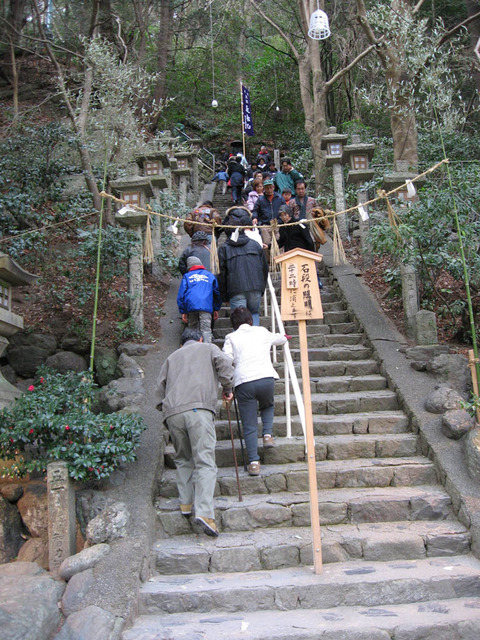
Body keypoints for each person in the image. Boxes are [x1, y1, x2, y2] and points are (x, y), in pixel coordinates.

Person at [156, 328, 234, 537]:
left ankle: (185, 504)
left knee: (183, 458)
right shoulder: (208, 348)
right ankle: (205, 513)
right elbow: (225, 364)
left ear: (181, 344)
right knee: (205, 461)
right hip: (198, 411)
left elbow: (159, 391)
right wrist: (227, 387)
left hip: (173, 414)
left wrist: (166, 412)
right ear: (199, 339)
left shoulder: (171, 358)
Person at [222, 307, 287, 476]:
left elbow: (225, 360)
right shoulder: (262, 331)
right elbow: (280, 339)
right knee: (267, 406)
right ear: (250, 320)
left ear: (234, 324)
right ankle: (267, 434)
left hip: (244, 382)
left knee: (249, 424)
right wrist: (286, 337)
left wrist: (225, 384)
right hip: (266, 377)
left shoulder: (231, 338)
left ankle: (253, 463)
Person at [217, 211, 268, 326]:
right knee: (254, 313)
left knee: (239, 319)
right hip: (255, 287)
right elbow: (264, 268)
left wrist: (224, 296)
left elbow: (222, 274)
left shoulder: (224, 249)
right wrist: (261, 288)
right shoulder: (255, 244)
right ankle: (255, 343)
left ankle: (242, 343)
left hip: (236, 288)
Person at [177, 256, 221, 344]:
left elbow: (181, 294)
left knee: (193, 330)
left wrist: (183, 311)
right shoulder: (209, 276)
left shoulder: (187, 276)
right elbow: (216, 293)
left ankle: (193, 351)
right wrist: (216, 308)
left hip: (191, 306)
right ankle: (207, 352)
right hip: (206, 307)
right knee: (206, 330)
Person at [252, 179, 285, 250]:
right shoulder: (261, 199)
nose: (269, 189)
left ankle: (279, 260)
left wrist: (282, 219)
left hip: (278, 224)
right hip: (265, 224)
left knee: (279, 244)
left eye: (270, 187)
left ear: (273, 187)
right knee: (266, 244)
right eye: (267, 188)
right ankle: (268, 260)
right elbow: (255, 210)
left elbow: (284, 208)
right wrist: (255, 217)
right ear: (264, 189)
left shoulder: (279, 198)